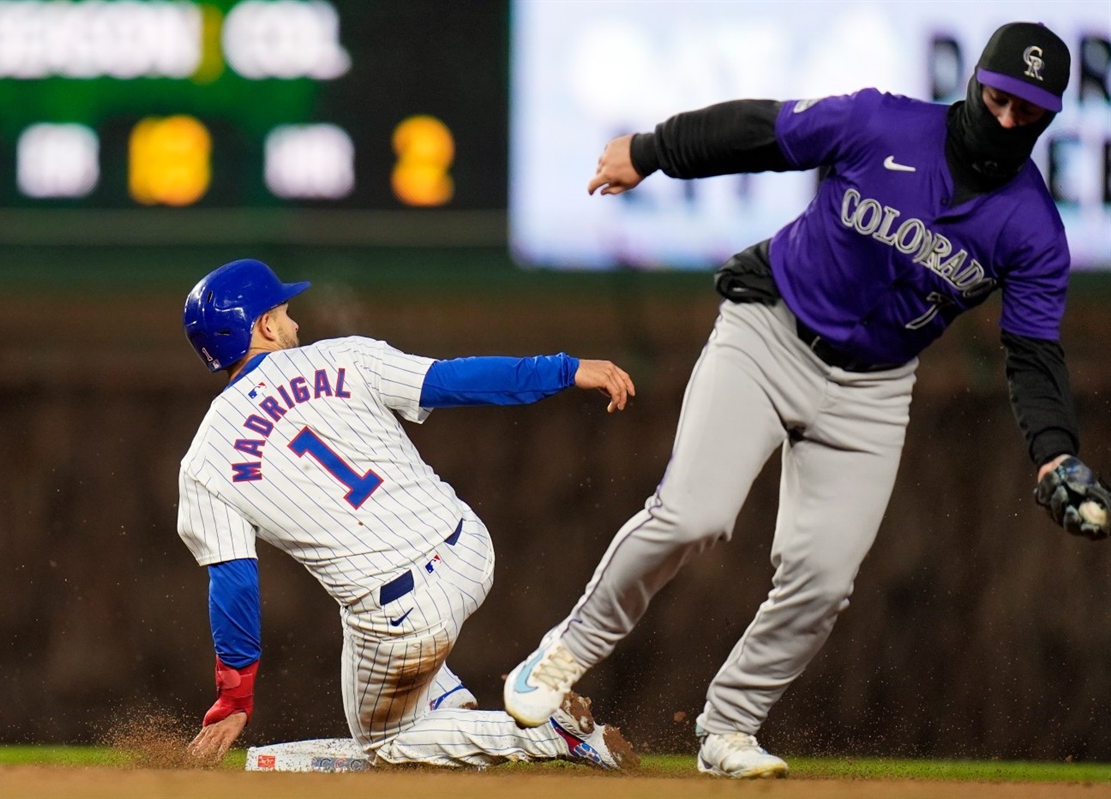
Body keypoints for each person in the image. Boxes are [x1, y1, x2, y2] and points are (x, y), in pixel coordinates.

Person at [503, 21, 1109, 779]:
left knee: (823, 579)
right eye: (1000, 99)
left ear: (1050, 116)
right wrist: (652, 151)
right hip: (770, 330)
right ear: (975, 83)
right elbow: (761, 130)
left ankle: (728, 727)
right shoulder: (882, 121)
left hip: (875, 385)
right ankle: (565, 652)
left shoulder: (1033, 229)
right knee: (694, 514)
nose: (1009, 121)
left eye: (1030, 112)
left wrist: (1055, 451)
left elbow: (1032, 352)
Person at [178, 258, 640, 770]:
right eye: (285, 313)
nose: (295, 324)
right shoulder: (345, 357)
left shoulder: (205, 462)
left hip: (401, 614)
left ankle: (551, 734)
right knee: (390, 658)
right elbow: (454, 380)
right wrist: (565, 368)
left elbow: (235, 585)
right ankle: (451, 714)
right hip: (468, 550)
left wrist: (236, 698)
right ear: (263, 325)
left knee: (385, 744)